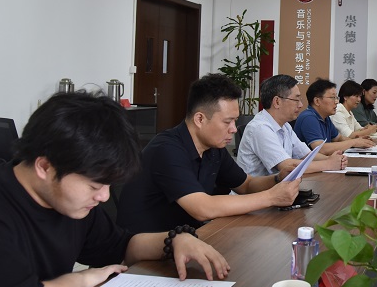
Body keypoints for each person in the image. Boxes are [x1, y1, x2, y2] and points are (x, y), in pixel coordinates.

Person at [0, 92, 230, 287]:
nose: (104, 197)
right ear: (45, 166)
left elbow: (122, 247)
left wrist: (176, 239)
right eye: (95, 186)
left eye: (108, 185)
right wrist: (80, 279)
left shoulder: (69, 202)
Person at [116, 74, 300, 234]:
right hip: (147, 248)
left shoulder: (214, 148)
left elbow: (246, 185)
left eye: (235, 121)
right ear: (200, 119)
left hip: (187, 238)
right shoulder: (166, 149)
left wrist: (278, 178)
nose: (234, 129)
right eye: (227, 122)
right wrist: (271, 197)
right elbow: (203, 208)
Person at [236, 74, 348, 177]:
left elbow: (306, 155)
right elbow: (287, 166)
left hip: (279, 188)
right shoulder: (260, 128)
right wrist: (328, 164)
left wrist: (333, 159)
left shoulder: (285, 126)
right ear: (277, 102)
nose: (301, 105)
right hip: (257, 191)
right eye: (296, 99)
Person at [294, 78, 375, 154]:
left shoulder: (325, 117)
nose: (336, 101)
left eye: (336, 98)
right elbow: (321, 148)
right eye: (332, 98)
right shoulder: (309, 118)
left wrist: (360, 141)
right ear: (317, 101)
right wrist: (353, 142)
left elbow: (338, 138)